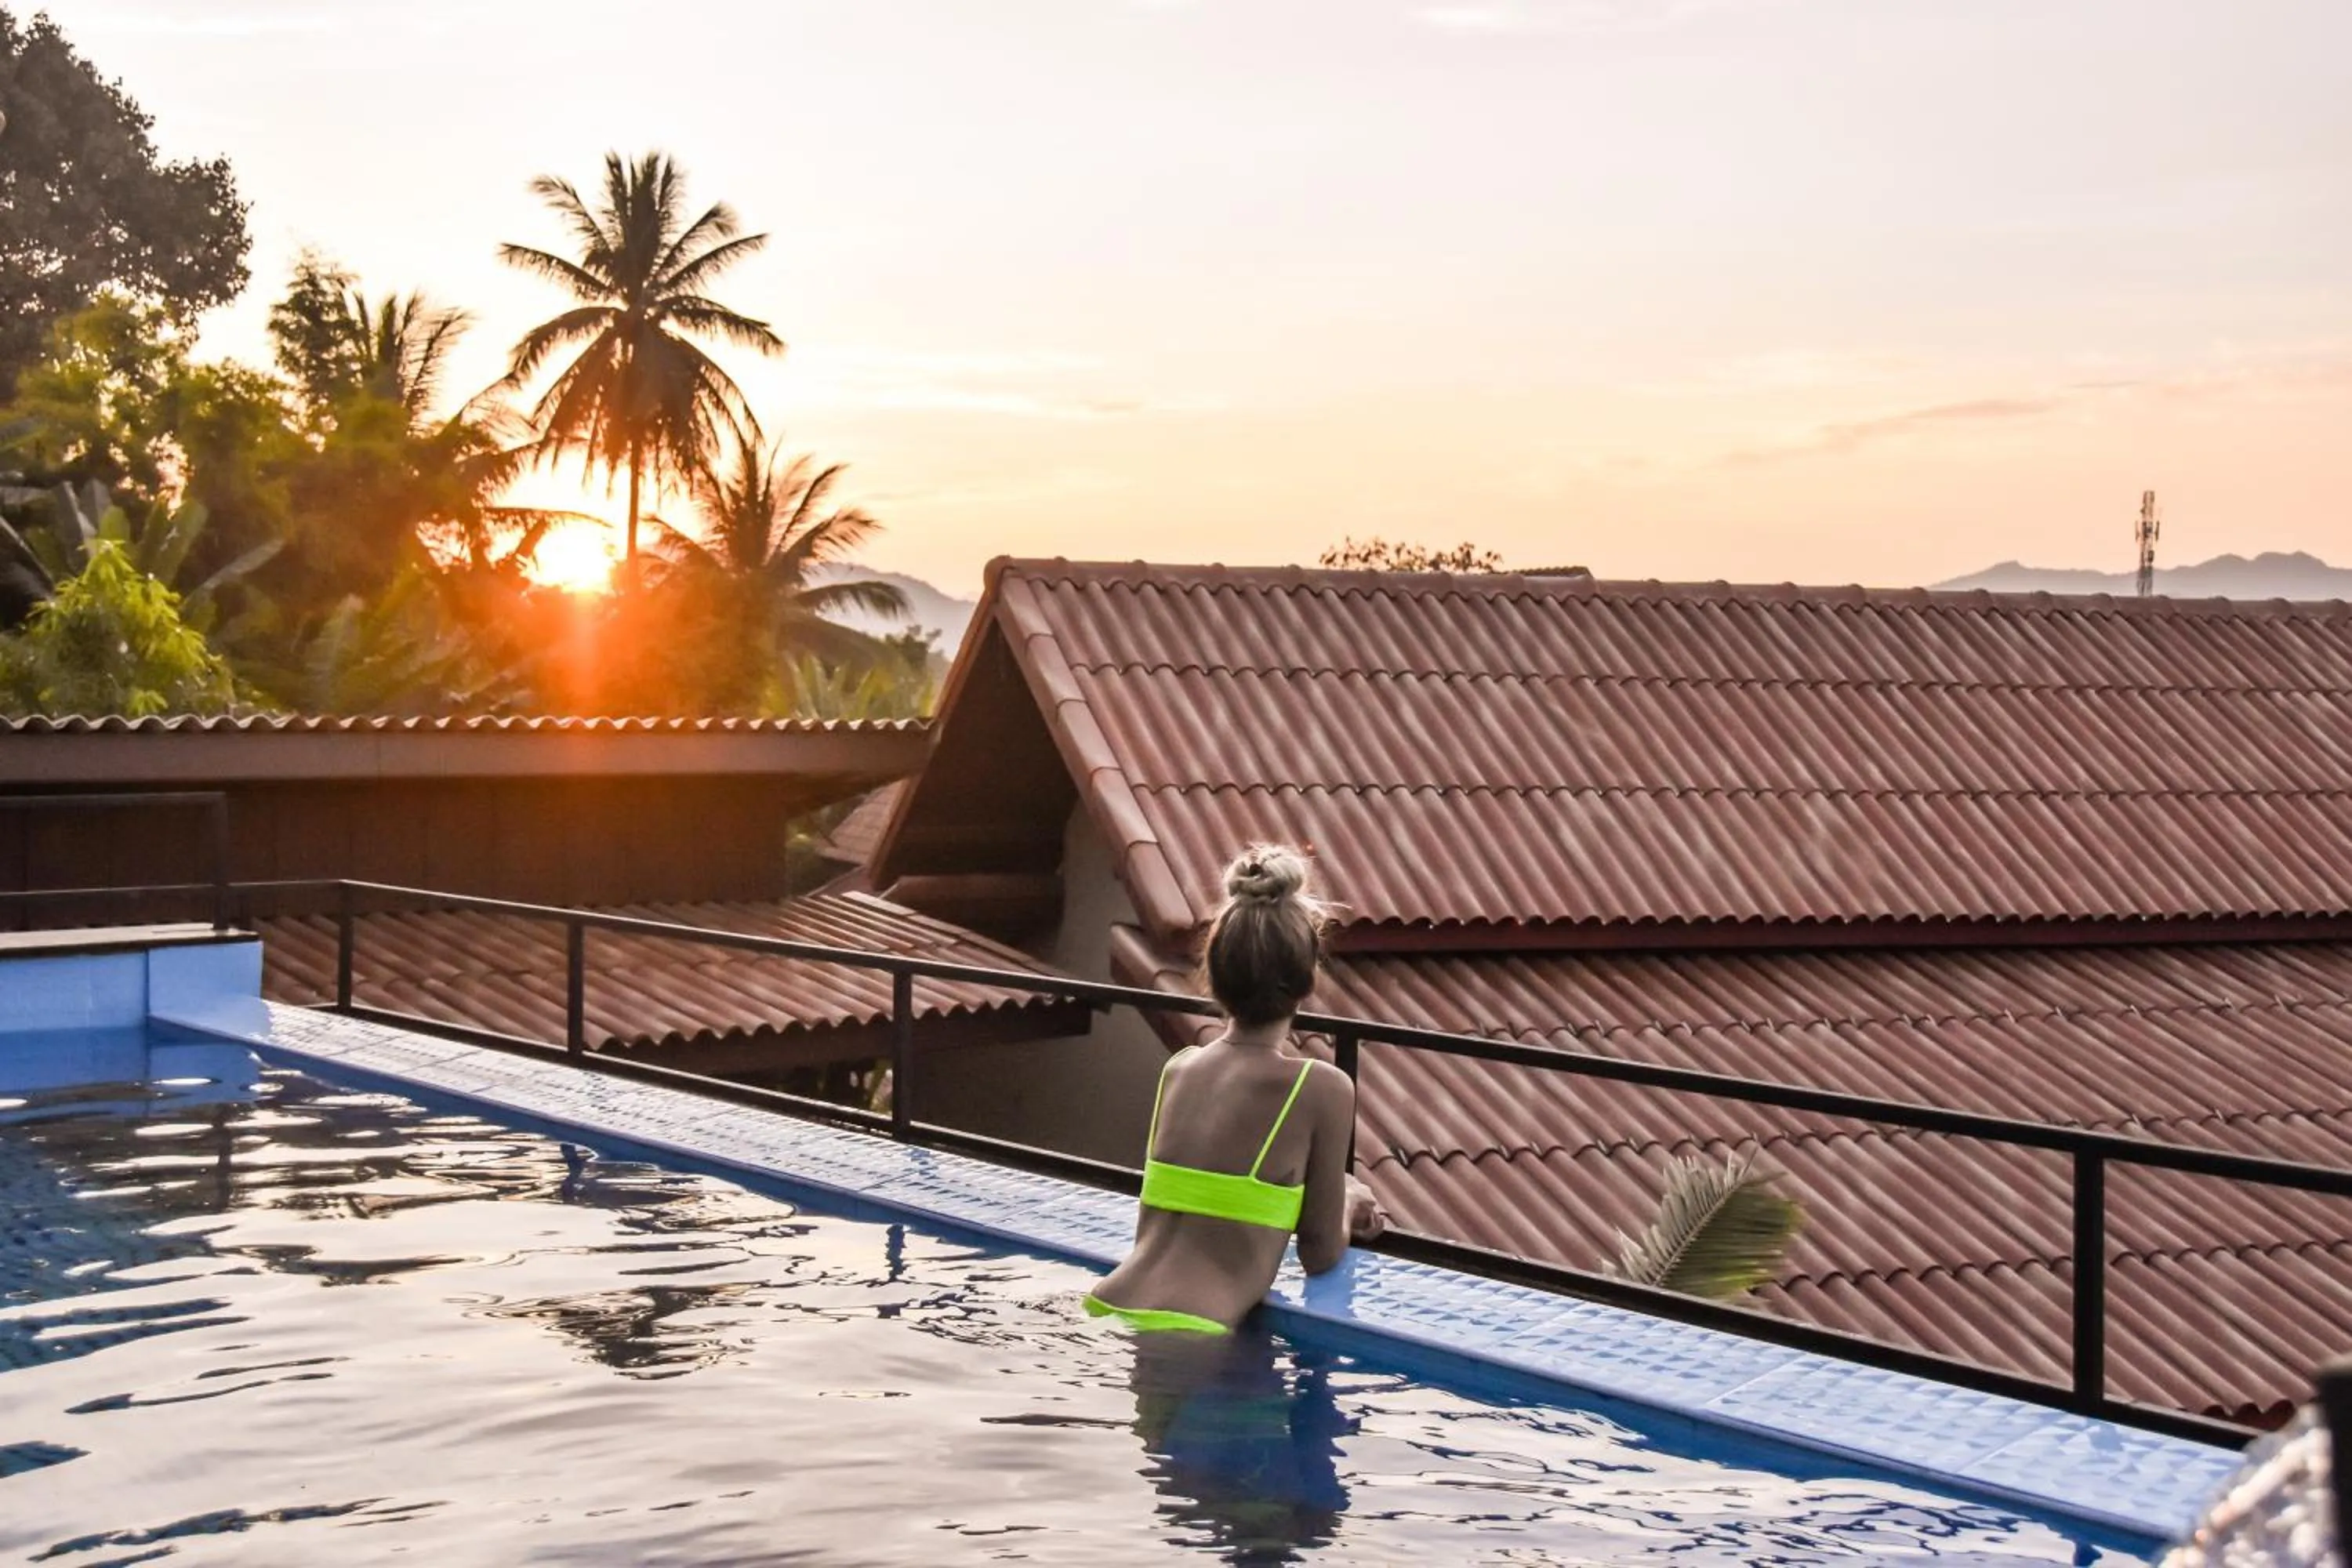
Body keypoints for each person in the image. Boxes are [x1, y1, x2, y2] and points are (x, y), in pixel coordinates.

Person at [1087, 844, 1388, 1335]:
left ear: (1216, 976)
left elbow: (1156, 1227)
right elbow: (1319, 1253)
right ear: (1307, 979)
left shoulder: (1179, 1070)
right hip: (1192, 1329)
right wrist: (1349, 1202)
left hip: (1107, 1303)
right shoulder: (1321, 1087)